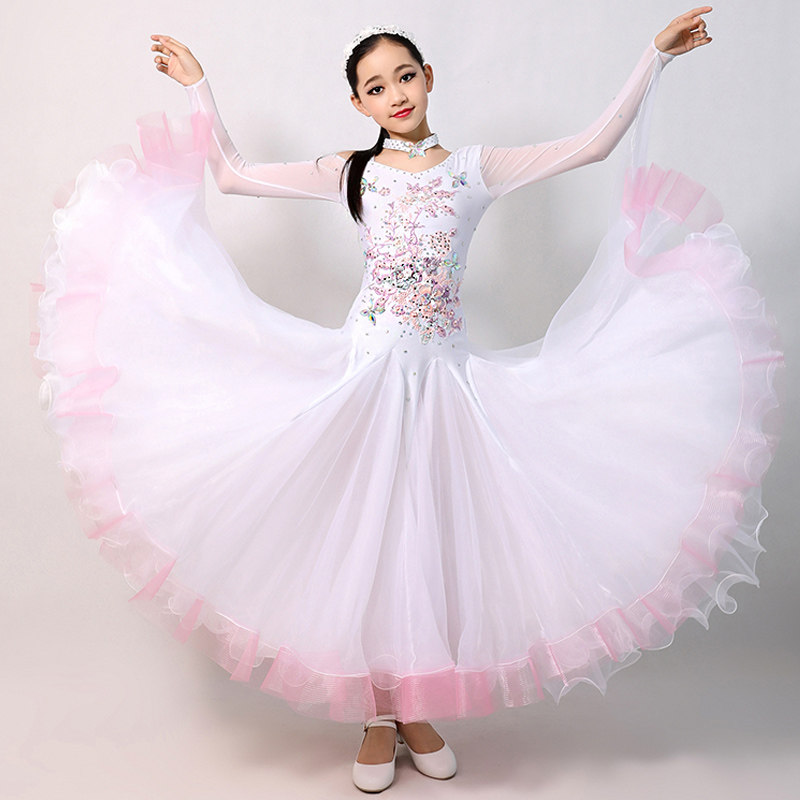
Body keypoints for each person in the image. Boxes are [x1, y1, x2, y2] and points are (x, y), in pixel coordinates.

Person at [30, 7, 784, 795]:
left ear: (428, 78)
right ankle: (377, 715)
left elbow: (592, 144)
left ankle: (413, 706)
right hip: (364, 382)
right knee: (367, 541)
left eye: (404, 76)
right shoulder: (353, 172)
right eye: (374, 86)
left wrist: (654, 57)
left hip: (445, 389)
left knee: (426, 545)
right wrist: (199, 86)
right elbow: (231, 175)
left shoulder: (475, 170)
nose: (394, 94)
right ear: (357, 103)